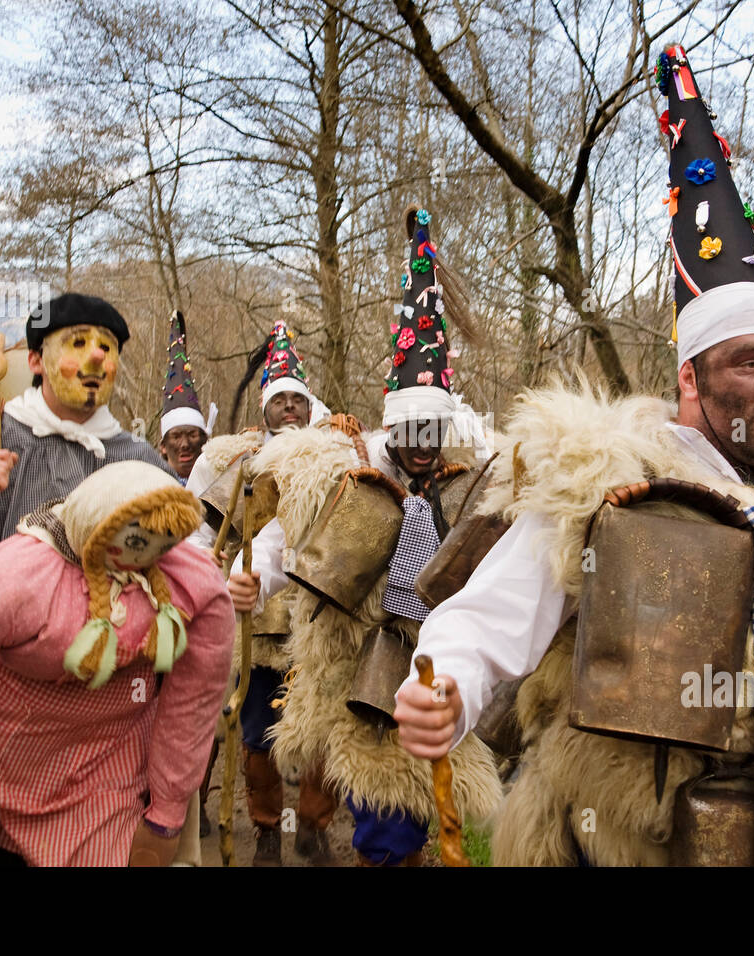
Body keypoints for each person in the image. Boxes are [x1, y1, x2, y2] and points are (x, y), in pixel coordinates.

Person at [393, 46, 754, 868]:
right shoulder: (610, 479)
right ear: (689, 375)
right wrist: (442, 685)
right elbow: (493, 618)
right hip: (624, 837)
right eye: (748, 363)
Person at [228, 207, 501, 866]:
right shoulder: (347, 469)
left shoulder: (479, 473)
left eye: (430, 434)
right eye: (409, 433)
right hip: (356, 658)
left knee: (446, 801)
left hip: (448, 652)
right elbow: (285, 529)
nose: (419, 446)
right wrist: (254, 574)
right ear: (393, 428)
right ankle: (309, 833)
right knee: (383, 814)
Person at [0, 461, 232, 866]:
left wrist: (166, 817)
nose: (147, 556)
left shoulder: (192, 584)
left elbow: (192, 706)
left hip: (110, 772)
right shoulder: (10, 579)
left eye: (163, 544)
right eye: (138, 542)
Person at [0, 293, 171, 617]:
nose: (95, 357)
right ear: (35, 361)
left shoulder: (144, 465)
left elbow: (175, 575)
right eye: (77, 344)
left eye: (105, 348)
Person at [185, 319, 338, 865]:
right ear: (265, 408)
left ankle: (314, 828)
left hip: (319, 621)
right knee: (257, 734)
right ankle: (268, 830)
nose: (290, 407)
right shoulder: (240, 461)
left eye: (298, 398)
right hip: (257, 623)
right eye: (281, 400)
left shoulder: (333, 456)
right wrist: (208, 570)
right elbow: (204, 527)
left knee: (322, 729)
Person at [157, 310, 215, 483]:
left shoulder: (222, 488)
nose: (185, 444)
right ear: (163, 447)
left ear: (205, 440)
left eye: (192, 434)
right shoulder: (148, 490)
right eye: (176, 436)